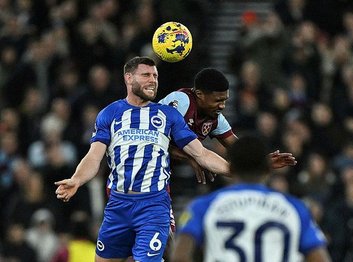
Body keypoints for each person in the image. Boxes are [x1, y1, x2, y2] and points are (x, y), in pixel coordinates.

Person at [54, 56, 231, 262]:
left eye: (155, 76)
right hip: (118, 205)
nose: (153, 80)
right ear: (128, 78)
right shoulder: (110, 114)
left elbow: (201, 153)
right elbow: (94, 156)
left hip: (153, 205)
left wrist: (235, 170)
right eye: (146, 75)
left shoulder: (167, 115)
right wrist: (76, 179)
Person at [170, 135, 332, 262]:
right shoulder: (295, 208)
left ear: (230, 168)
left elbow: (180, 257)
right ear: (267, 168)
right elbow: (320, 258)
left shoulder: (202, 206)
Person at [158, 68, 297, 183]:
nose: (222, 106)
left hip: (162, 173)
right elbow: (153, 140)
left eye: (225, 100)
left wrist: (261, 162)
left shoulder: (215, 118)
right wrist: (191, 157)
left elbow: (238, 148)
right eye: (218, 100)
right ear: (199, 94)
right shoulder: (180, 101)